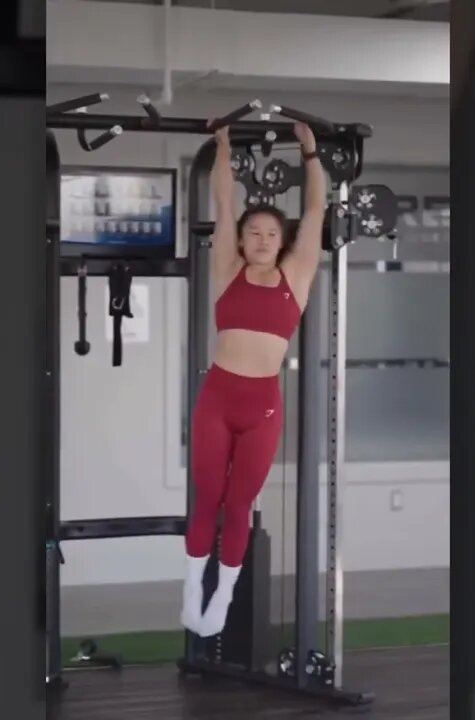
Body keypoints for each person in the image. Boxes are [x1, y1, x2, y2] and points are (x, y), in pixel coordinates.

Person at [182, 121, 327, 638]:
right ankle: (191, 588)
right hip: (218, 398)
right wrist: (222, 148)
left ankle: (222, 595)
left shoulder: (297, 274)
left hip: (262, 403)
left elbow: (315, 211)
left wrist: (310, 152)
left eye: (271, 234)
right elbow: (223, 202)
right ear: (241, 240)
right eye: (253, 232)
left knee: (239, 503)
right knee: (207, 497)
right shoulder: (226, 268)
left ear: (281, 241)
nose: (262, 240)